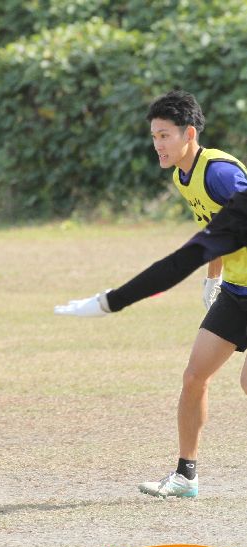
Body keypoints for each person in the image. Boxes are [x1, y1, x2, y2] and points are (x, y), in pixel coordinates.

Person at [55, 90, 247, 499]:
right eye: (154, 136)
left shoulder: (219, 172)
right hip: (235, 290)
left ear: (188, 134)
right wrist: (213, 278)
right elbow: (220, 230)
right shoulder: (182, 176)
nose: (158, 145)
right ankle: (186, 476)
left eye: (164, 136)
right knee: (194, 377)